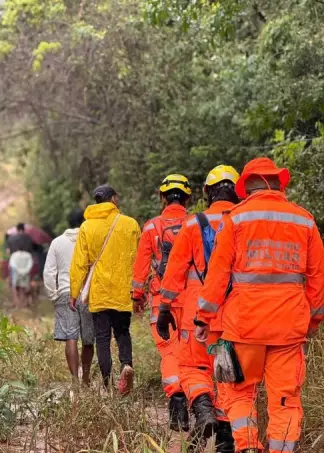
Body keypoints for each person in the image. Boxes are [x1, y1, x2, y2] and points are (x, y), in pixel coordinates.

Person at [196, 157, 324, 453]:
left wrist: (204, 318)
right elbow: (317, 278)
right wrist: (313, 322)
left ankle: (248, 446)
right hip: (289, 329)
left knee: (239, 393)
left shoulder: (237, 218)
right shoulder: (303, 220)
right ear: (279, 183)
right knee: (286, 399)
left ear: (247, 187)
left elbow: (218, 274)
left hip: (243, 326)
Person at [157, 166, 241, 452]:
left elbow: (174, 271)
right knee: (232, 380)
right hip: (236, 316)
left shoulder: (194, 224)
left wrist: (164, 308)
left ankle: (203, 404)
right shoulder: (245, 222)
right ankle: (227, 441)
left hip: (197, 313)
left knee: (192, 367)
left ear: (207, 193)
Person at [131, 174, 192, 431]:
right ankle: (197, 398)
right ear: (187, 197)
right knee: (191, 352)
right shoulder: (195, 224)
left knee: (168, 350)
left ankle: (176, 400)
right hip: (191, 300)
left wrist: (137, 296)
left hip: (161, 300)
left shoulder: (151, 227)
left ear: (162, 197)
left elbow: (141, 266)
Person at [69, 184, 140, 394]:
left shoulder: (87, 227)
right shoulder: (130, 224)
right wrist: (140, 290)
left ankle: (108, 382)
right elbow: (138, 258)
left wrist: (74, 293)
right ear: (114, 199)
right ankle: (126, 364)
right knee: (122, 332)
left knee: (102, 337)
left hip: (99, 292)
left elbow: (79, 263)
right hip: (122, 290)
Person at [44, 209, 94, 386]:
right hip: (88, 293)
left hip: (65, 293)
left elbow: (49, 271)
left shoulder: (57, 242)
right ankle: (86, 378)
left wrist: (54, 294)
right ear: (84, 221)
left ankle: (74, 379)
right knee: (88, 339)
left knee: (70, 337)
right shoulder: (89, 239)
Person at [7, 223, 35, 308]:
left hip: (15, 259)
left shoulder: (11, 238)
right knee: (24, 282)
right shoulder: (28, 237)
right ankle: (25, 302)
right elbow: (32, 249)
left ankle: (16, 302)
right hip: (26, 260)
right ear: (23, 229)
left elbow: (9, 250)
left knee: (15, 283)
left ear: (17, 229)